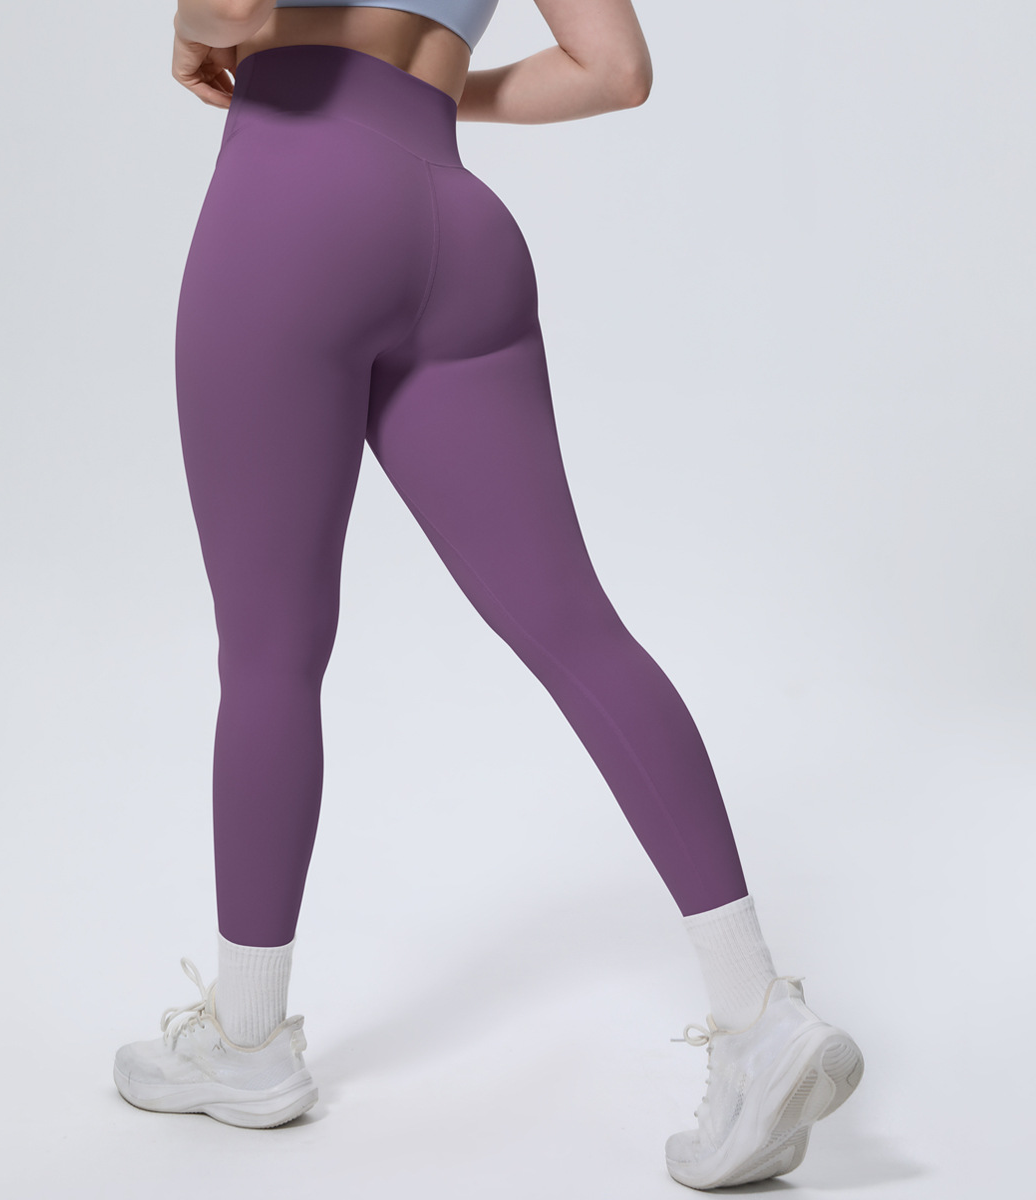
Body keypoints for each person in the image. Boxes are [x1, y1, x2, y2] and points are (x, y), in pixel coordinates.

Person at [112, 1, 864, 1189]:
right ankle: (758, 1014)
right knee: (577, 629)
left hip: (292, 200)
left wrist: (189, 30)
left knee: (269, 652)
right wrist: (426, 92)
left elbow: (240, 9)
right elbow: (615, 69)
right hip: (456, 222)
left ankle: (246, 1044)